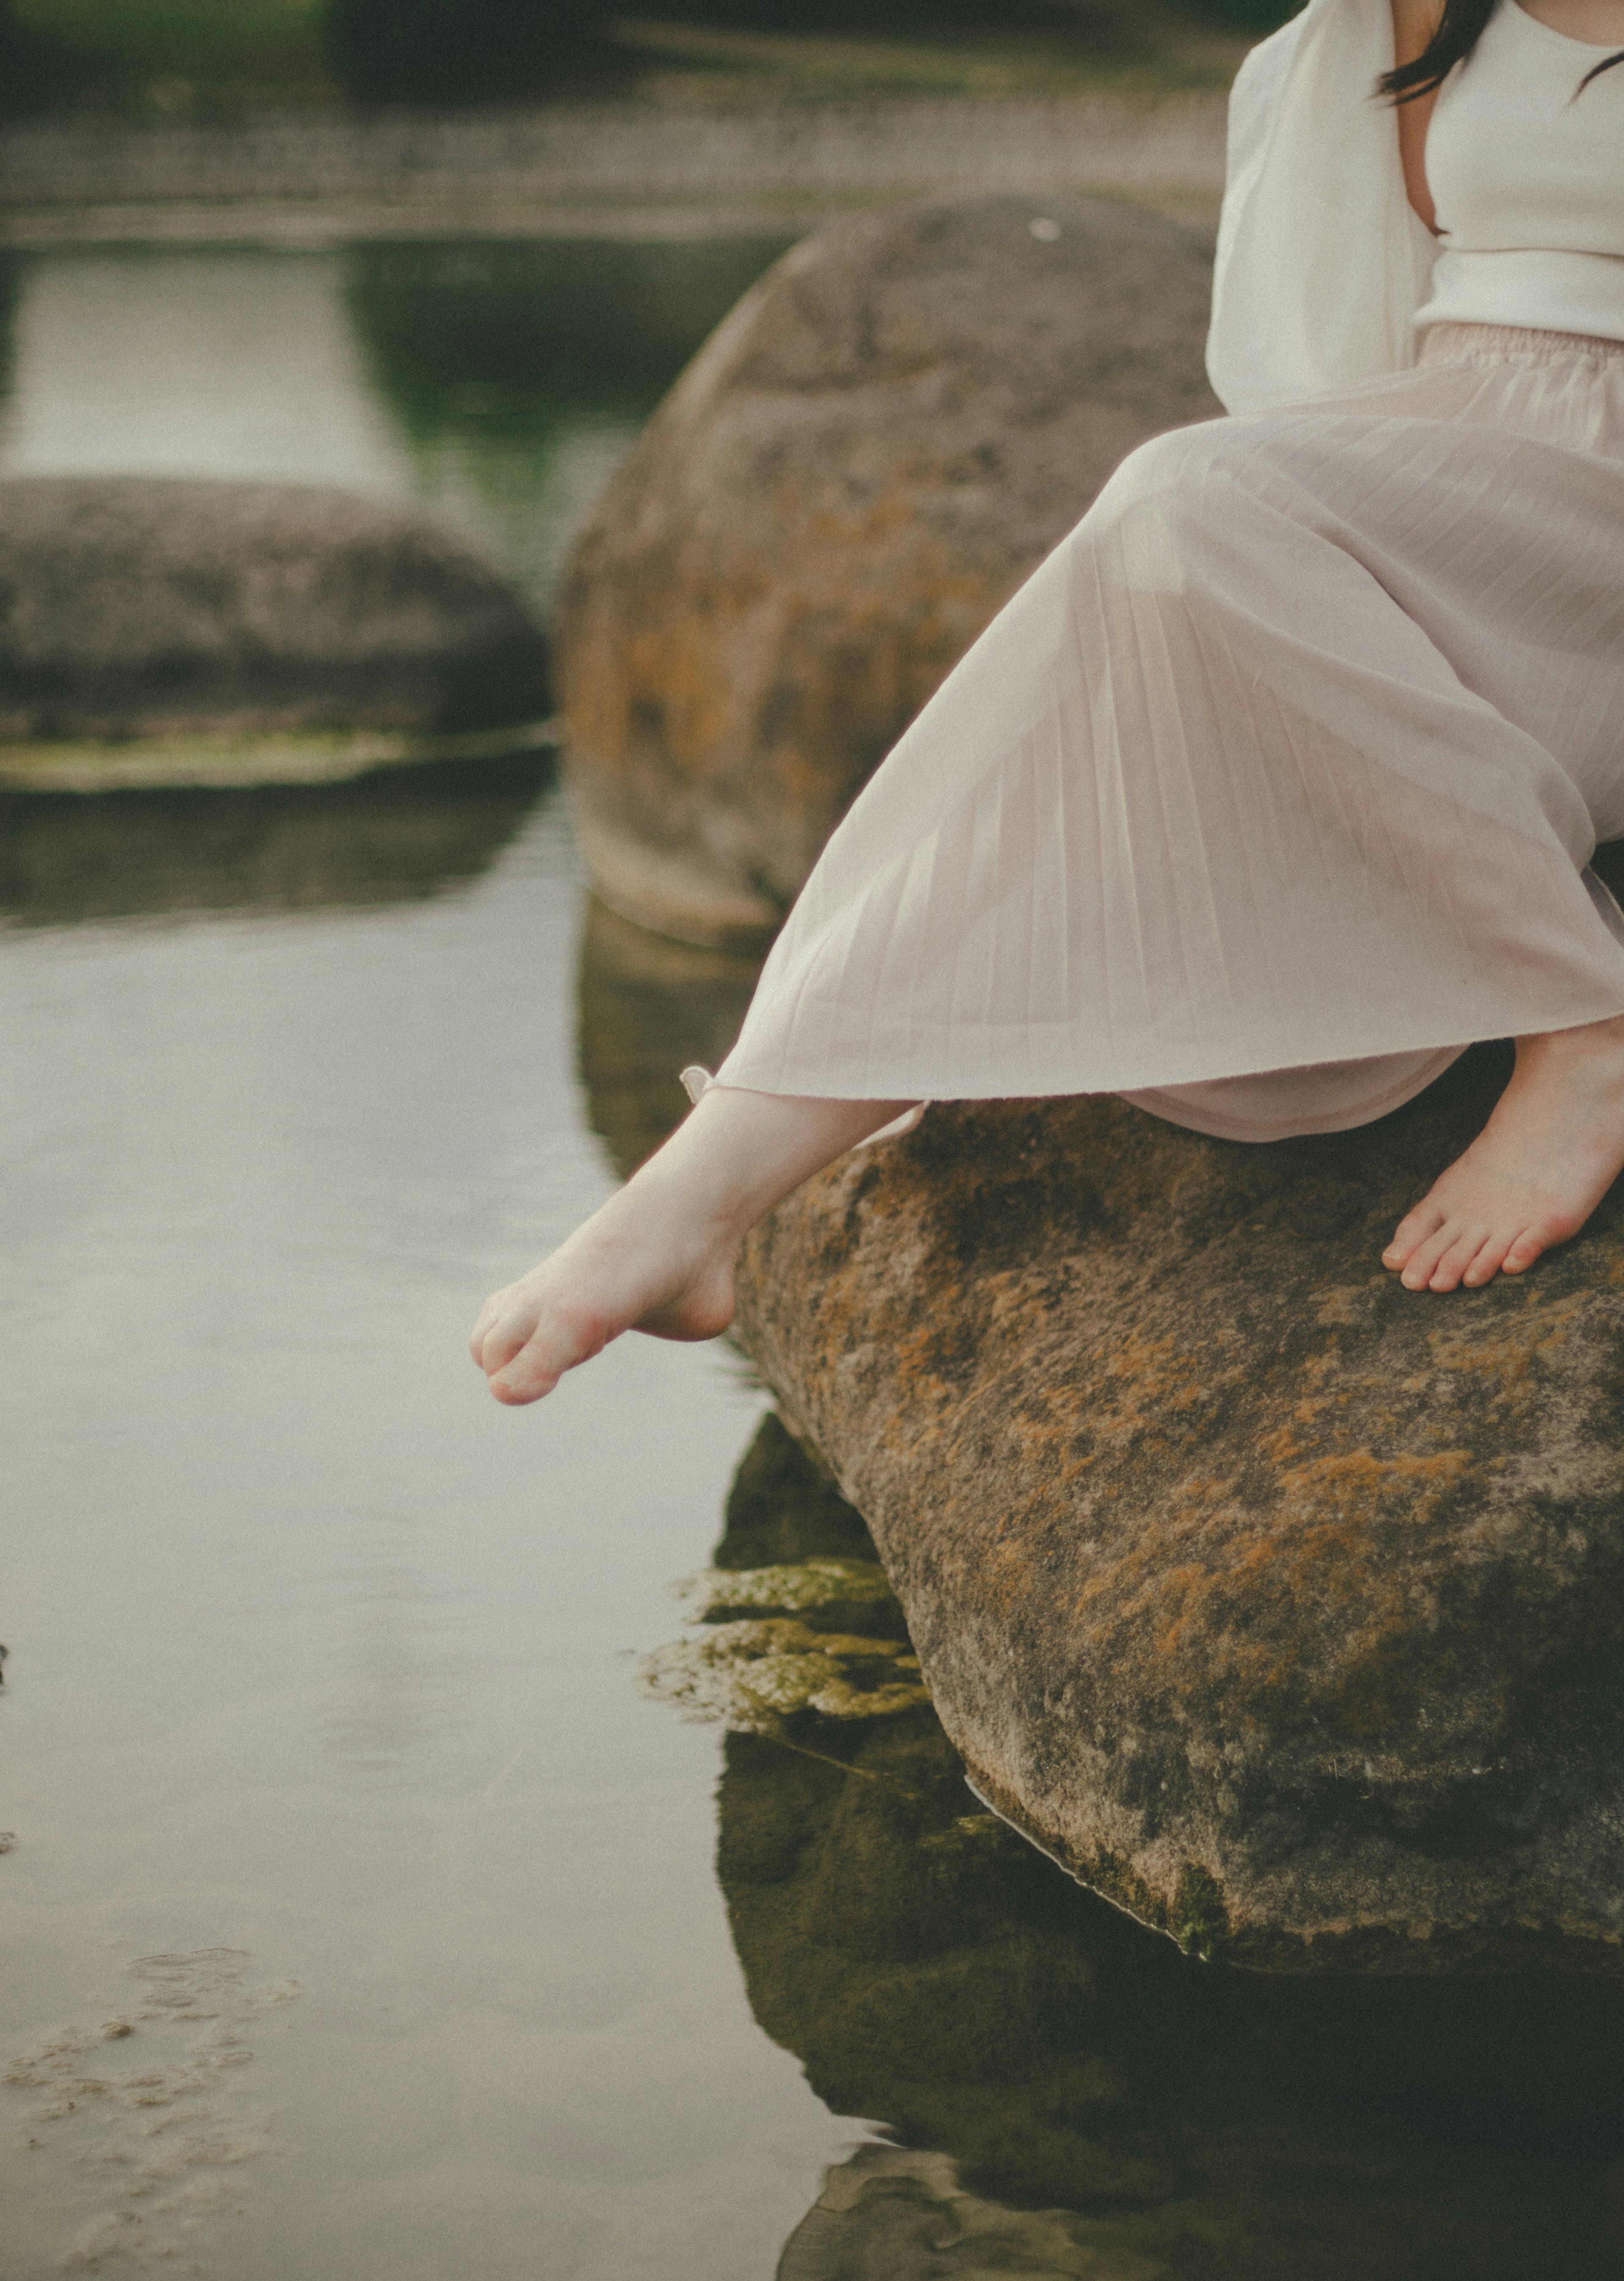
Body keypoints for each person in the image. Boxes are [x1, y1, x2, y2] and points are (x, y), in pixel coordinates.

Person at [472, 0, 1624, 1406]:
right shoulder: (1433, 10)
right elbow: (1346, 342)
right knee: (1128, 666)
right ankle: (705, 1193)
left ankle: (1587, 1028)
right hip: (1453, 468)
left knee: (1183, 502)